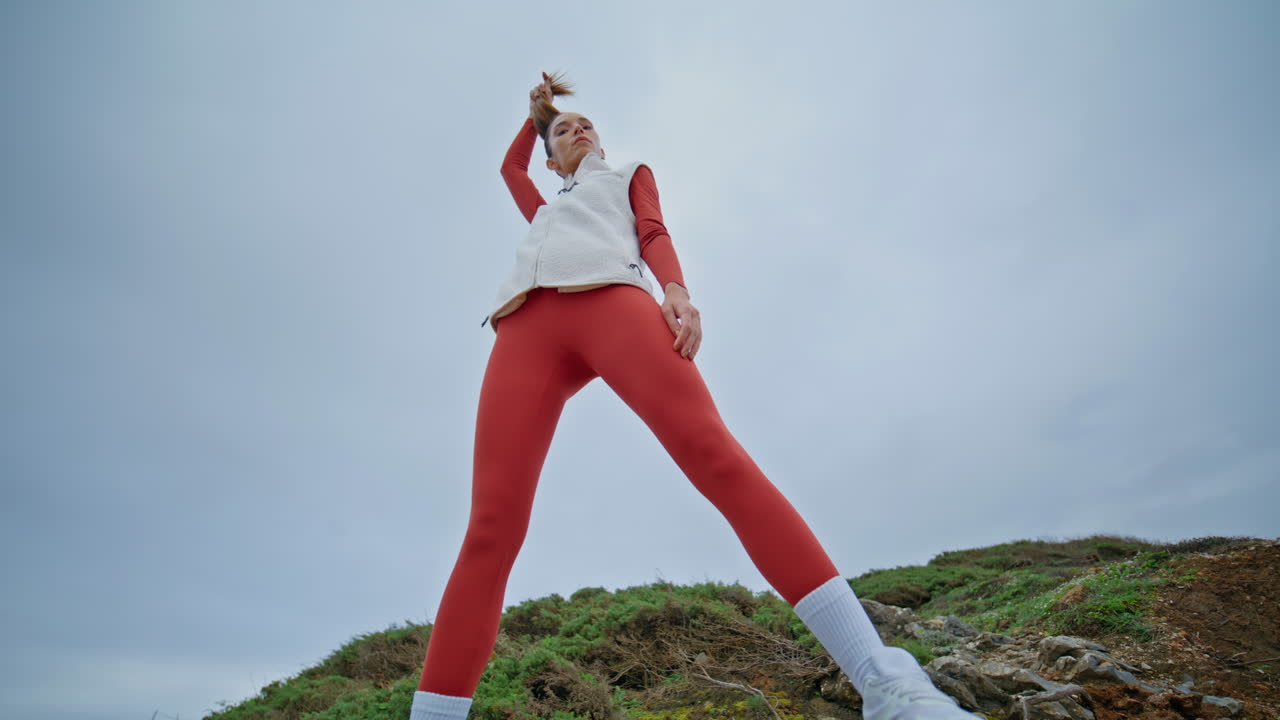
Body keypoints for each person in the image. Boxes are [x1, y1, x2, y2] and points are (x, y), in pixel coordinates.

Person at [409, 72, 980, 720]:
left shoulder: (625, 176)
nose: (580, 131)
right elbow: (509, 166)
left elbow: (652, 232)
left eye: (586, 123)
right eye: (566, 132)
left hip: (614, 302)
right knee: (491, 526)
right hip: (523, 330)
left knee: (715, 454)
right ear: (551, 155)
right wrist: (537, 113)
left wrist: (676, 292)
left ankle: (888, 686)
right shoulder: (541, 209)